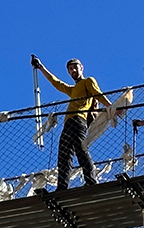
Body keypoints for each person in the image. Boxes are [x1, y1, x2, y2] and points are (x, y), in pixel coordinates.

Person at [31, 55, 112, 191]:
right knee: (64, 154)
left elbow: (98, 94)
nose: (73, 70)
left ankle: (91, 180)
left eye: (75, 67)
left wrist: (111, 107)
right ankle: (62, 187)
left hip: (79, 119)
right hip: (69, 122)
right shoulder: (73, 89)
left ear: (81, 68)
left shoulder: (88, 81)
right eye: (70, 69)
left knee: (81, 149)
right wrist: (40, 67)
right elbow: (56, 82)